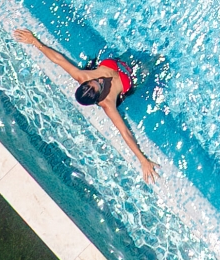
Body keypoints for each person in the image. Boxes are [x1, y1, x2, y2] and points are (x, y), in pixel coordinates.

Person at [13, 28, 159, 182]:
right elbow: (125, 132)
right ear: (98, 96)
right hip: (134, 77)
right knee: (157, 60)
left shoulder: (83, 76)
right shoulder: (108, 104)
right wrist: (142, 160)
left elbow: (58, 59)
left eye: (90, 83)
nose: (98, 80)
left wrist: (35, 42)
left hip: (121, 61)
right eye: (96, 87)